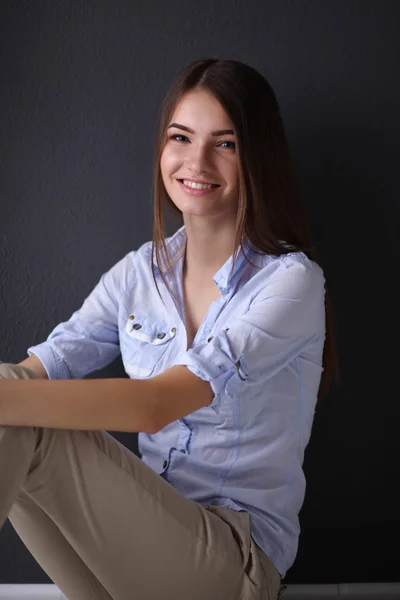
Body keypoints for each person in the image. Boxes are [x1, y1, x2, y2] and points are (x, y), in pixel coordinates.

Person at [0, 58, 338, 600]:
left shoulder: (291, 283)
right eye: (181, 137)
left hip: (234, 561)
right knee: (13, 405)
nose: (196, 160)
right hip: (135, 548)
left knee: (18, 408)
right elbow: (41, 366)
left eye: (225, 144)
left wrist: (9, 395)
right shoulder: (140, 273)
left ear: (259, 158)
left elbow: (157, 404)